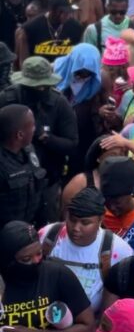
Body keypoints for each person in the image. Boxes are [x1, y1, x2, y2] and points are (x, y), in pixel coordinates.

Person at [0, 57, 78, 215]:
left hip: (46, 179)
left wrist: (45, 137)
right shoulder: (7, 98)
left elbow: (71, 144)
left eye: (44, 86)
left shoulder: (58, 103)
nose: (39, 90)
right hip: (7, 182)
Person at [0, 221, 95, 332]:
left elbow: (88, 328)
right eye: (26, 259)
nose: (36, 261)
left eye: (39, 253)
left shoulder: (57, 274)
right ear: (8, 261)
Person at [39, 188, 133, 312]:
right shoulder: (48, 236)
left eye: (85, 223)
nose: (76, 228)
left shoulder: (119, 250)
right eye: (72, 220)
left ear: (100, 220)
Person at [53, 43, 103, 175]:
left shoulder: (97, 84)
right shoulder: (55, 71)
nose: (83, 77)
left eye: (88, 74)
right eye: (79, 72)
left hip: (82, 137)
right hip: (56, 134)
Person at [0, 105, 47, 231]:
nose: (34, 129)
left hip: (30, 228)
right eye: (32, 126)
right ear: (20, 135)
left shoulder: (29, 150)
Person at [16, 0, 83, 64]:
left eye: (71, 11)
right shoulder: (30, 28)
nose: (69, 15)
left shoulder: (76, 28)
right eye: (65, 11)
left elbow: (77, 59)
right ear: (53, 9)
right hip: (37, 73)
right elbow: (23, 62)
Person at [100, 156, 134, 237]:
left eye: (117, 202)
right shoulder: (101, 216)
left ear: (130, 192)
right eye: (107, 202)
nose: (112, 208)